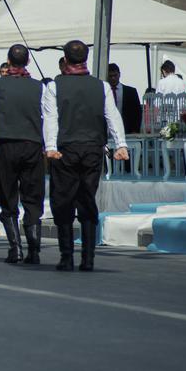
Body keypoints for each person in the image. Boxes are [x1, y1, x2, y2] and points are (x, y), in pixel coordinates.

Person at [44, 40, 129, 272]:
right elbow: (112, 116)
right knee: (87, 198)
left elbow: (51, 118)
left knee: (63, 200)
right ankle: (88, 258)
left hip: (65, 149)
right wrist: (121, 144)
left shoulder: (54, 86)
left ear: (65, 59)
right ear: (86, 58)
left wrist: (50, 146)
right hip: (93, 148)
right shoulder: (101, 86)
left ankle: (67, 256)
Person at [0, 44, 46, 265]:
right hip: (32, 145)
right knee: (33, 197)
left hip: (6, 146)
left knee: (8, 196)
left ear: (8, 61)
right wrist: (49, 145)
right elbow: (48, 117)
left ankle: (15, 247)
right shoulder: (40, 87)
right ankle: (34, 249)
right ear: (27, 62)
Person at [106, 63, 143, 135]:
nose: (113, 78)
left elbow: (137, 113)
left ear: (119, 74)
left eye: (115, 75)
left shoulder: (130, 92)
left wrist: (135, 130)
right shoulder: (103, 91)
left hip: (126, 131)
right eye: (110, 76)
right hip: (107, 131)